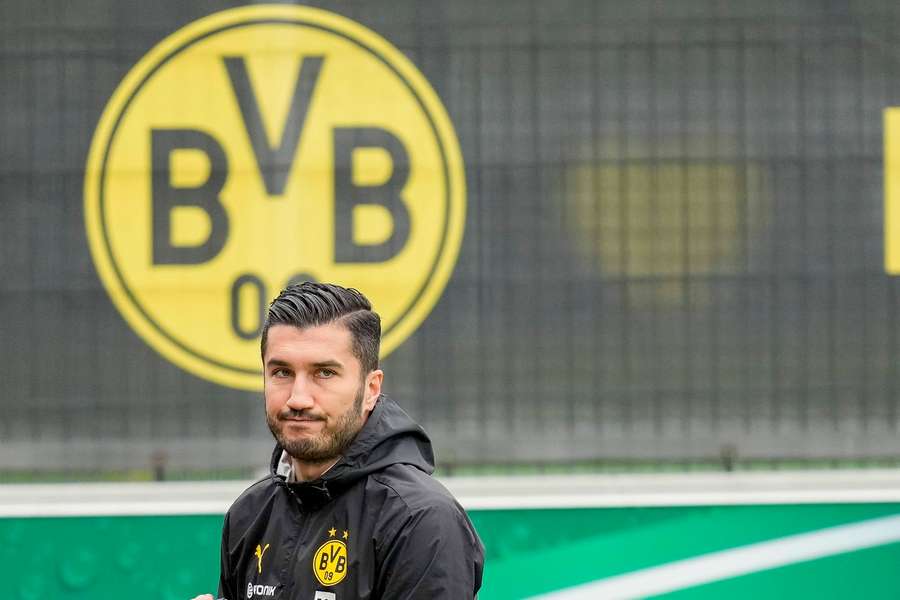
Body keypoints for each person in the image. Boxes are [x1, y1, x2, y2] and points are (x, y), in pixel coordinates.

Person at [192, 282, 484, 600]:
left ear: (371, 389)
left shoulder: (421, 521)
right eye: (281, 372)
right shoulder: (249, 513)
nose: (298, 398)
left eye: (325, 373)